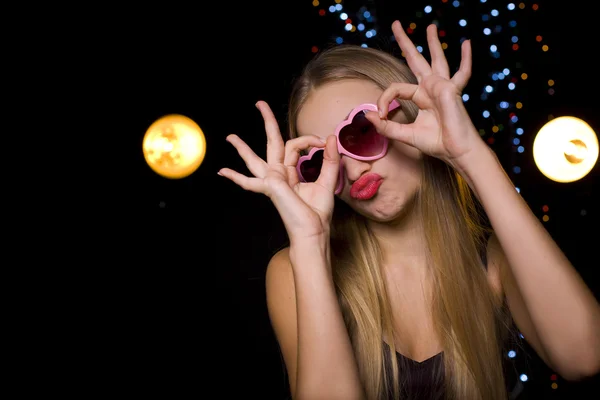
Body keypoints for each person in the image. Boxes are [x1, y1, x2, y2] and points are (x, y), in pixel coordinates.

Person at [219, 21, 600, 400]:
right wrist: (308, 241)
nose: (351, 170)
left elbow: (585, 358)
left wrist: (471, 155)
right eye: (321, 161)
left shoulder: (493, 261)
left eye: (362, 131)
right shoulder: (295, 267)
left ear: (416, 117)